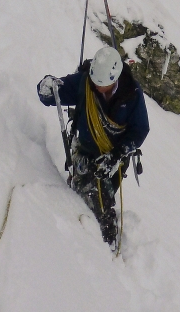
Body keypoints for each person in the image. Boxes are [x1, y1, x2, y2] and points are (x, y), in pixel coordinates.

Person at [37, 46, 149, 248]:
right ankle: (100, 238)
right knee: (91, 197)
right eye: (95, 82)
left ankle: (105, 236)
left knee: (103, 195)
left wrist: (117, 154)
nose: (97, 88)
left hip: (114, 157)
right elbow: (53, 94)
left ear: (115, 79)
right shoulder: (84, 84)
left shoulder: (131, 94)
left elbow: (140, 129)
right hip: (87, 152)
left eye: (102, 85)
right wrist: (46, 88)